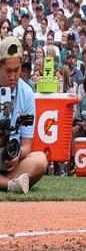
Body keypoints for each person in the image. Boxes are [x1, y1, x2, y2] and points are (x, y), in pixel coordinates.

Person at [0, 36, 46, 194]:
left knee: (40, 160)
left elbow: (26, 145)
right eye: (8, 71)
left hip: (11, 161)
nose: (13, 76)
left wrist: (17, 155)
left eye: (17, 70)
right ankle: (10, 185)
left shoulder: (26, 94)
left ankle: (8, 181)